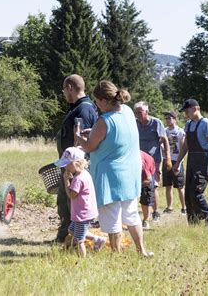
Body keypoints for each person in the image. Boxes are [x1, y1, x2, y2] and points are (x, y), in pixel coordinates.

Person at [75, 80, 152, 257]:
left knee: (112, 217)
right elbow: (114, 138)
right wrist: (92, 133)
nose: (96, 105)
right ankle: (142, 251)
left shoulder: (104, 120)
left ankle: (115, 255)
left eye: (96, 101)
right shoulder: (128, 111)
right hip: (131, 172)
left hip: (110, 176)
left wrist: (78, 137)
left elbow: (89, 147)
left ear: (104, 100)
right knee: (132, 214)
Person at [53, 74, 98, 243]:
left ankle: (70, 238)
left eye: (64, 89)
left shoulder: (84, 109)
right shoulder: (77, 107)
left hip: (74, 168)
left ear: (70, 87)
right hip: (69, 165)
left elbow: (80, 145)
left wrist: (72, 172)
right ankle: (67, 236)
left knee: (70, 202)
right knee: (65, 201)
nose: (64, 94)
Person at [54, 147, 106, 257]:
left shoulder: (78, 179)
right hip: (86, 212)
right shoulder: (85, 173)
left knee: (79, 240)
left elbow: (72, 195)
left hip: (83, 214)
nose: (65, 167)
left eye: (67, 164)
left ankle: (83, 260)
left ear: (77, 163)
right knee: (72, 229)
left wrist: (66, 180)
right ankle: (98, 240)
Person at [173, 99, 208, 226]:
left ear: (196, 108)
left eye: (187, 111)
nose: (186, 114)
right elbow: (186, 145)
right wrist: (177, 163)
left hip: (203, 160)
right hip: (191, 160)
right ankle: (193, 224)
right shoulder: (188, 124)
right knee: (188, 195)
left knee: (196, 191)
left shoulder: (206, 123)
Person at [134, 101, 171, 222]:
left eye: (140, 112)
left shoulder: (156, 123)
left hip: (154, 160)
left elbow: (165, 140)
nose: (138, 115)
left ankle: (155, 212)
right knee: (139, 186)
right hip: (138, 160)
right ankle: (141, 213)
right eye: (136, 112)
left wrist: (168, 157)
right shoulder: (135, 123)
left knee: (153, 185)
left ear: (147, 112)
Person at [162, 111, 186, 215]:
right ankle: (169, 207)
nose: (167, 120)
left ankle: (184, 207)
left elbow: (183, 147)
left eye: (169, 118)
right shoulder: (164, 131)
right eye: (166, 118)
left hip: (177, 160)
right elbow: (160, 143)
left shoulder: (180, 131)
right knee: (168, 185)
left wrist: (179, 163)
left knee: (180, 186)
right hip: (167, 160)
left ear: (175, 119)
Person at [140, 150, 156, 230]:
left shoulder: (142, 164)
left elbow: (148, 180)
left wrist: (137, 185)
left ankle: (146, 220)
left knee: (146, 195)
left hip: (148, 174)